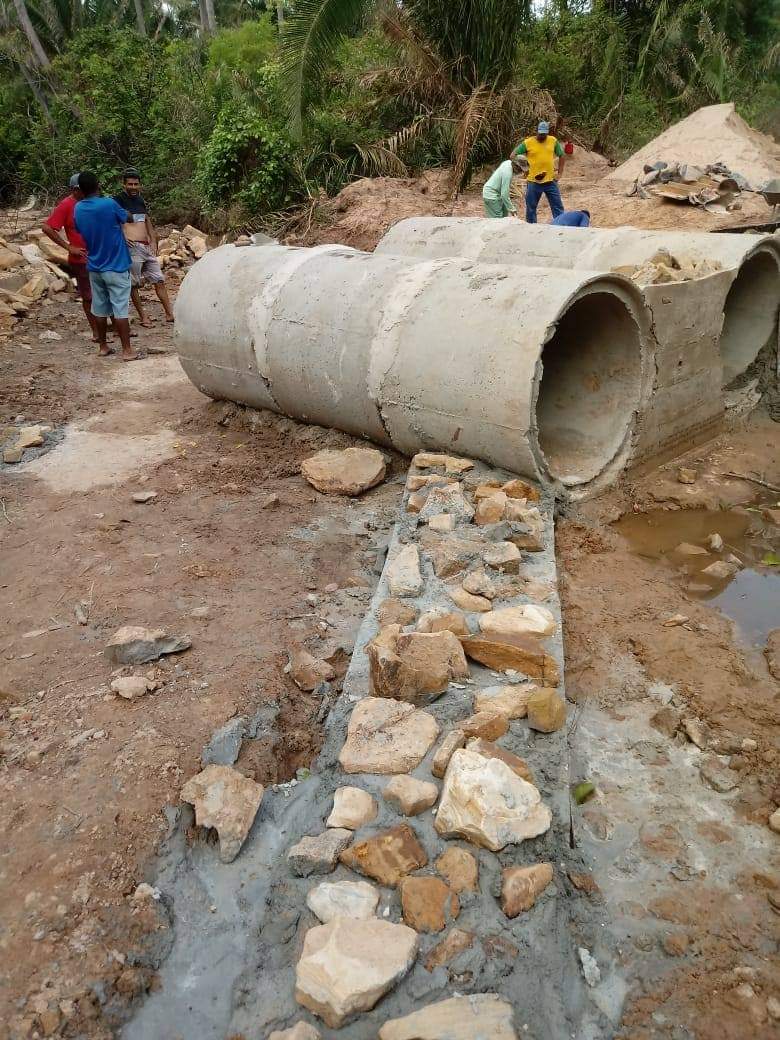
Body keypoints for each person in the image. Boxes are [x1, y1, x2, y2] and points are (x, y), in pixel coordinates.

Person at [73, 171, 140, 361]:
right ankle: (127, 350)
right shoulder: (109, 204)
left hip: (94, 266)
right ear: (98, 185)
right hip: (116, 265)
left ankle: (103, 346)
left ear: (80, 190)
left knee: (99, 308)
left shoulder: (78, 209)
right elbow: (127, 217)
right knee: (120, 308)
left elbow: (78, 228)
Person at [113, 169, 174, 326]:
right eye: (130, 184)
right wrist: (122, 238)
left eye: (136, 184)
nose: (133, 187)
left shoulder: (140, 200)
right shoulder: (117, 201)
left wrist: (153, 239)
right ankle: (143, 317)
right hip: (132, 248)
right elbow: (112, 222)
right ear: (124, 184)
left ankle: (170, 313)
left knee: (159, 279)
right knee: (134, 284)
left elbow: (146, 220)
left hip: (147, 247)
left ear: (140, 184)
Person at [42, 174, 99, 341]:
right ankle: (96, 331)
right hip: (81, 259)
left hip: (99, 256)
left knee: (104, 293)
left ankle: (110, 327)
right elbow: (48, 227)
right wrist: (68, 246)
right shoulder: (67, 205)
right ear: (75, 190)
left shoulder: (91, 201)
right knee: (88, 296)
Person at [513, 121, 566, 224]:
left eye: (544, 134)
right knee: (531, 208)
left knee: (557, 206)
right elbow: (513, 155)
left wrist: (560, 173)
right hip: (533, 181)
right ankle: (532, 228)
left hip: (550, 180)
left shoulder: (553, 141)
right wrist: (524, 167)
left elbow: (562, 155)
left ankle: (561, 226)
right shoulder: (528, 142)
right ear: (536, 131)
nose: (542, 136)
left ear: (547, 132)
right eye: (540, 133)